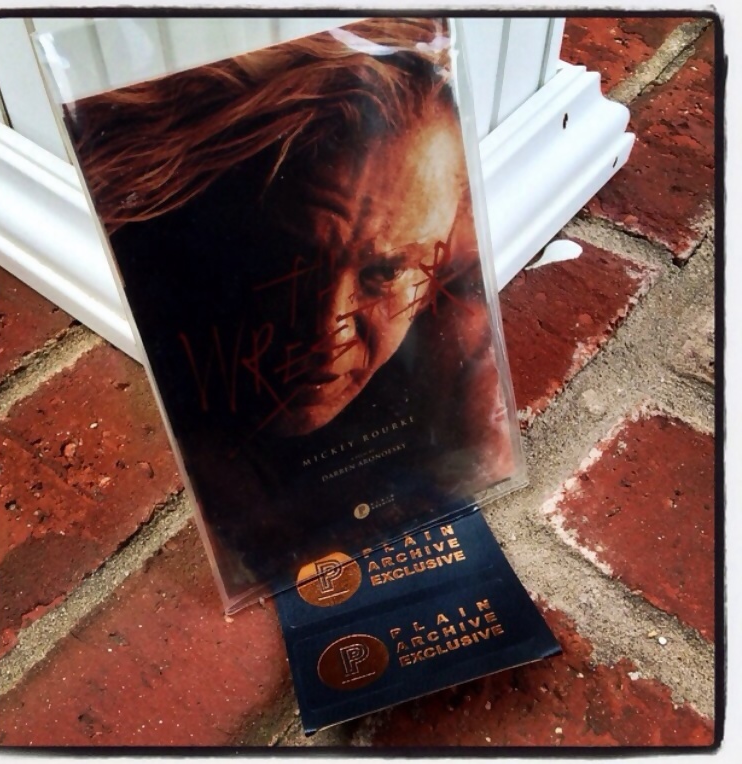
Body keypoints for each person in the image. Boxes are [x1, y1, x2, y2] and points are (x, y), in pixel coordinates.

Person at [66, 17, 517, 596]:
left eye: (384, 273)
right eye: (288, 262)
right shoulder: (155, 293)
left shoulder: (463, 349)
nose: (325, 332)